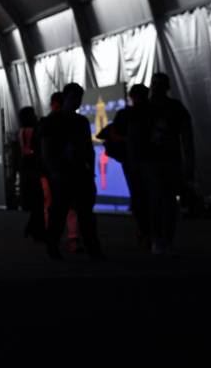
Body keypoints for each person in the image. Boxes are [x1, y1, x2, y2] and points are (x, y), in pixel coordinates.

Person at [39, 83, 102, 260]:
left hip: (75, 173)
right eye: (74, 98)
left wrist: (90, 170)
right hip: (64, 173)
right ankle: (59, 247)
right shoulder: (55, 122)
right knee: (65, 213)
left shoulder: (74, 122)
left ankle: (88, 248)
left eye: (79, 98)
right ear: (65, 98)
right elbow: (47, 152)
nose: (77, 102)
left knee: (78, 213)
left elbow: (88, 150)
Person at [142, 73, 194, 254]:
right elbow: (187, 137)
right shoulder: (174, 108)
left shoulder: (148, 108)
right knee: (163, 201)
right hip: (161, 161)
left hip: (160, 161)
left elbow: (187, 136)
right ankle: (161, 238)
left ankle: (160, 239)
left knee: (161, 201)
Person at [101, 84, 152, 249]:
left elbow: (114, 134)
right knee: (150, 196)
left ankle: (143, 231)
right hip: (148, 160)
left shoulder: (125, 114)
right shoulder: (152, 112)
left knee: (138, 196)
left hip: (131, 160)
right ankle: (149, 231)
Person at [17, 107, 44, 241]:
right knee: (39, 198)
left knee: (34, 199)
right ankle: (35, 229)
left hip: (25, 163)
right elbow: (37, 148)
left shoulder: (21, 131)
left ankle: (32, 228)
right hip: (34, 163)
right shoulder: (34, 130)